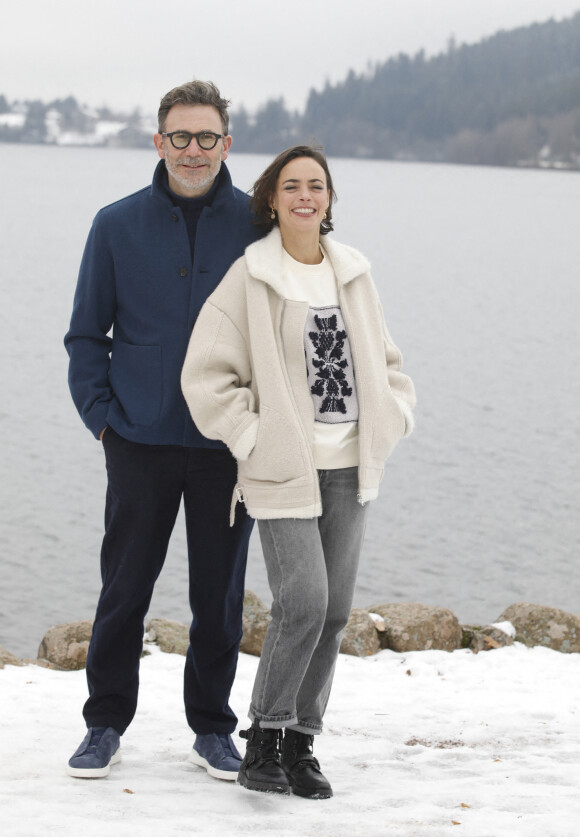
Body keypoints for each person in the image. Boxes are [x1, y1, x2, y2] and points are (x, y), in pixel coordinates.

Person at [181, 145, 416, 798]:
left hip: (350, 467)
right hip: (283, 471)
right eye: (293, 185)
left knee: (335, 611)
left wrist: (391, 416)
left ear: (329, 199)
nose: (306, 195)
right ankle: (264, 736)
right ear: (273, 199)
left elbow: (389, 363)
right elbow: (208, 374)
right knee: (303, 601)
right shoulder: (251, 277)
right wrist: (253, 437)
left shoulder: (353, 275)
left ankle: (301, 743)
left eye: (317, 185)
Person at [64, 81, 263, 781]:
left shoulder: (256, 223)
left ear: (227, 144)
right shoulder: (114, 225)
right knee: (124, 590)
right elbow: (86, 336)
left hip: (224, 447)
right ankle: (104, 722)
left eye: (207, 137)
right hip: (138, 442)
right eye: (180, 136)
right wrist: (102, 422)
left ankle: (213, 727)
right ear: (159, 141)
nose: (193, 150)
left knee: (219, 598)